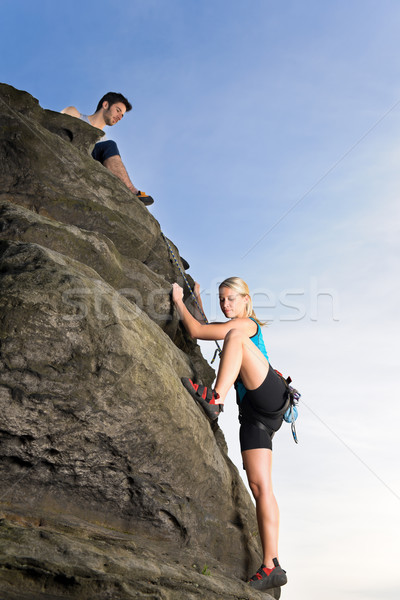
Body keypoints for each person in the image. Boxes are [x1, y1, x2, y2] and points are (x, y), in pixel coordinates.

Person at [171, 277, 288, 591]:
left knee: (233, 334)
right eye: (222, 300)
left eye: (231, 299)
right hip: (254, 414)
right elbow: (204, 329)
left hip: (270, 394)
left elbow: (202, 332)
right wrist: (195, 300)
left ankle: (215, 399)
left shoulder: (247, 326)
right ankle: (271, 565)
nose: (226, 305)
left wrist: (178, 300)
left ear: (246, 300)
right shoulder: (233, 330)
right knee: (260, 486)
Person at [61, 92, 153, 205]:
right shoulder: (74, 113)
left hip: (88, 172)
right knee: (110, 146)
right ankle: (132, 191)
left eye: (122, 115)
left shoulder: (103, 141)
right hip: (68, 156)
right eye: (118, 110)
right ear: (105, 105)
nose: (119, 117)